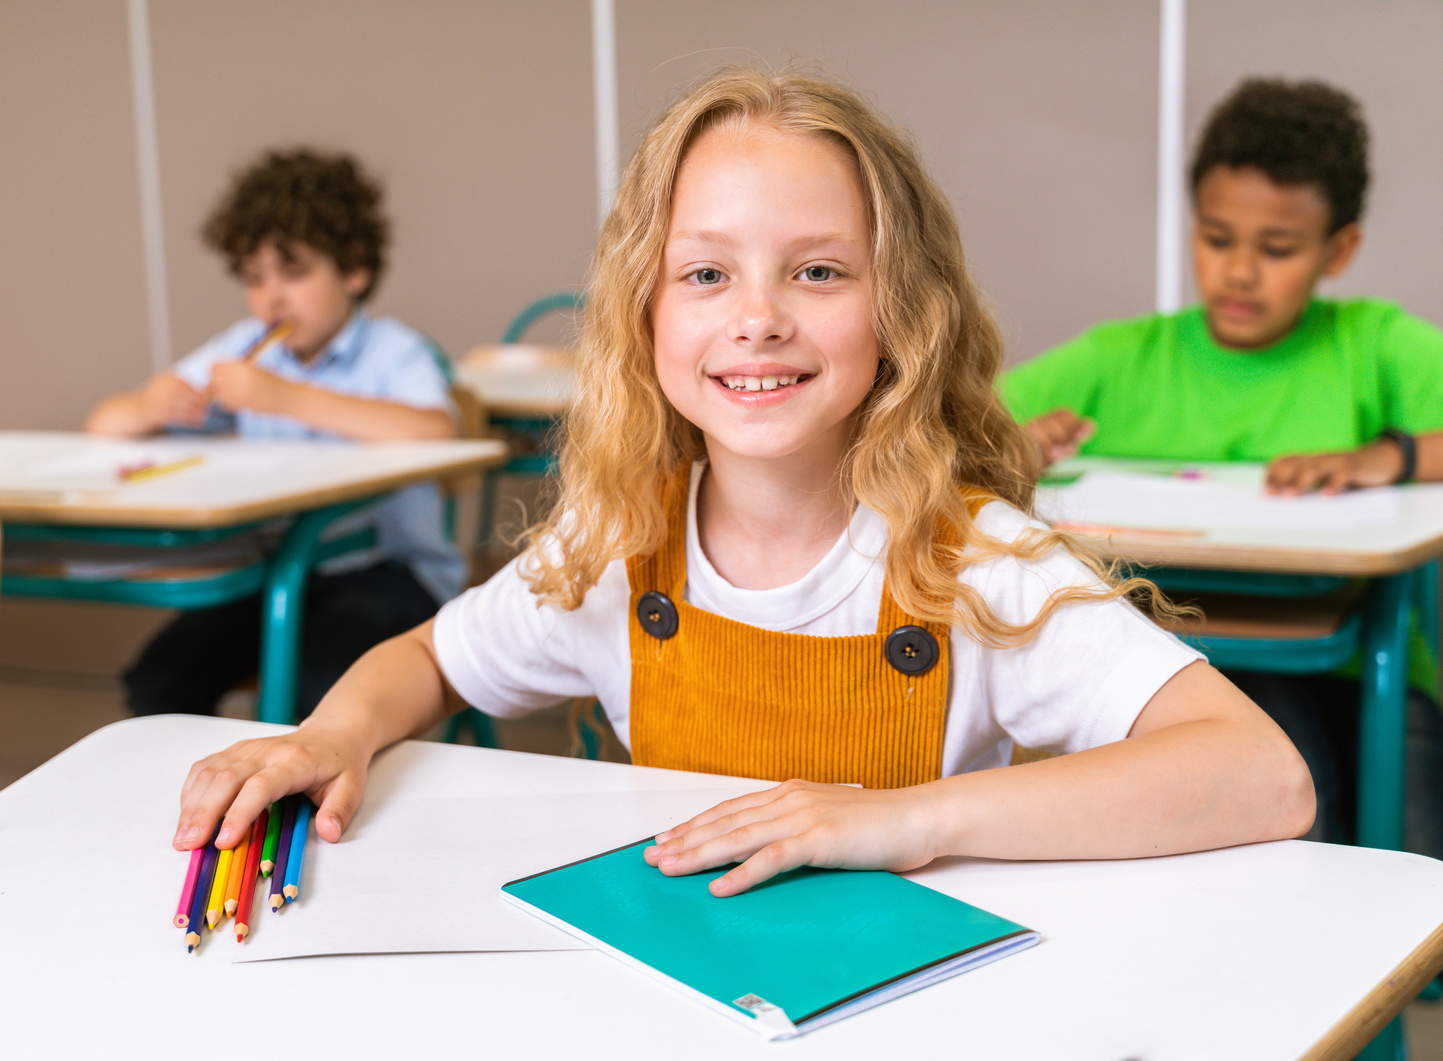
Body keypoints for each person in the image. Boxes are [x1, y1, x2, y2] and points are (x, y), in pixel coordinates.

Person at [172, 69, 1312, 897]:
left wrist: (906, 819)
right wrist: (332, 731)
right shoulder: (617, 544)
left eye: (817, 270)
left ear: (899, 313)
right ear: (646, 314)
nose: (757, 316)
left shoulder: (972, 557)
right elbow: (429, 656)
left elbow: (1261, 775)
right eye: (706, 272)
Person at [1001, 78, 1443, 858]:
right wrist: (1010, 444)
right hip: (1182, 647)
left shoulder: (1372, 344)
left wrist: (1390, 456)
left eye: (1276, 249)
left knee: (1411, 862)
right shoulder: (1120, 357)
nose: (1239, 271)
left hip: (1359, 654)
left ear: (1336, 250)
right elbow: (946, 430)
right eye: (1215, 237)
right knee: (1296, 823)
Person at [87, 148, 462, 719]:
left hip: (392, 576)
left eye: (295, 273)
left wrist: (286, 398)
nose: (272, 298)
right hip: (278, 572)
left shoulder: (393, 350)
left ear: (354, 269)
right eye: (254, 278)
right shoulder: (244, 344)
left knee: (320, 688)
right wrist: (149, 404)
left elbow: (436, 434)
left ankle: (300, 801)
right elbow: (104, 426)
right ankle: (204, 803)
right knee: (161, 680)